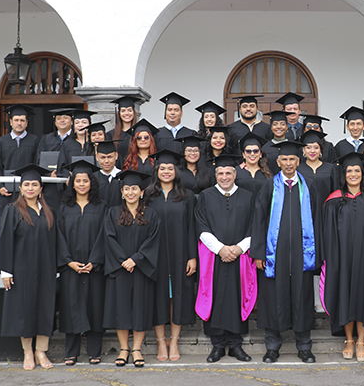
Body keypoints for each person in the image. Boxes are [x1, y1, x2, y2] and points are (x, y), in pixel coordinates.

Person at [251, 140, 320, 364]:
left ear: (298, 161)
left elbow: (317, 220)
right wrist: (259, 253)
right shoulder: (269, 186)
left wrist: (317, 252)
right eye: (285, 160)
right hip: (275, 254)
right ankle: (272, 347)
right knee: (273, 299)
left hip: (302, 252)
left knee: (303, 298)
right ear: (278, 162)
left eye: (292, 159)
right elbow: (259, 220)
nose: (289, 163)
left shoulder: (308, 185)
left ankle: (304, 346)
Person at [320, 152, 364, 362]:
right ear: (344, 174)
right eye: (349, 171)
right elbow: (327, 233)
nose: (353, 174)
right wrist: (331, 259)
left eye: (357, 170)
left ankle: (361, 341)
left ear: (362, 174)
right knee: (345, 297)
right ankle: (348, 340)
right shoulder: (333, 201)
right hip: (341, 259)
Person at [0, 164, 56, 370]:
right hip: (21, 269)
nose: (30, 188)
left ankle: (41, 351)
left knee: (45, 308)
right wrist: (5, 271)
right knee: (24, 309)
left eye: (34, 184)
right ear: (21, 187)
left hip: (46, 268)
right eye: (26, 184)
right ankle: (28, 351)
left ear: (40, 188)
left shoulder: (48, 212)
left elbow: (55, 240)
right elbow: (5, 240)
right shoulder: (13, 210)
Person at [195, 154, 257, 363]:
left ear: (235, 174)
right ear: (215, 175)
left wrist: (239, 248)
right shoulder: (205, 196)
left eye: (228, 173)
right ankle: (218, 346)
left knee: (236, 298)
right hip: (215, 258)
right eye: (220, 173)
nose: (224, 177)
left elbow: (254, 226)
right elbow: (201, 226)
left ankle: (236, 345)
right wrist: (221, 248)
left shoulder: (248, 197)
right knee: (216, 298)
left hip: (240, 258)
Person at [103, 170, 161, 367]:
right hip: (120, 269)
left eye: (134, 188)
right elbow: (108, 238)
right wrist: (123, 260)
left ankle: (136, 349)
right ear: (121, 192)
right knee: (121, 310)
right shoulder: (113, 213)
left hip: (141, 268)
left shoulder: (151, 214)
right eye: (127, 189)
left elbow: (153, 240)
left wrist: (135, 259)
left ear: (141, 191)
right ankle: (123, 349)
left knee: (139, 309)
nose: (130, 192)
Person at [144, 149, 198, 362]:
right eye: (162, 168)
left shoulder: (187, 196)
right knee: (158, 297)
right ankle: (160, 342)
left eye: (170, 168)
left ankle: (174, 339)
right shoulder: (147, 196)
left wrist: (192, 256)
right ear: (156, 171)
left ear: (177, 171)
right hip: (154, 254)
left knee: (178, 295)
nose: (166, 172)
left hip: (180, 253)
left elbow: (193, 227)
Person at [56, 161, 106, 366]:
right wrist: (69, 262)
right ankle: (71, 352)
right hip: (71, 268)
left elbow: (105, 235)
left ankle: (95, 351)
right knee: (71, 307)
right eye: (78, 181)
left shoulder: (101, 207)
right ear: (73, 184)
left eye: (85, 180)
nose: (82, 184)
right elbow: (58, 236)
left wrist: (95, 261)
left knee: (95, 307)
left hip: (95, 268)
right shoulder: (64, 207)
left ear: (91, 183)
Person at [0, 104, 40, 220]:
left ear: (27, 123)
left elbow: (37, 163)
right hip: (7, 191)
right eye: (16, 120)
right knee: (7, 220)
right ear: (11, 122)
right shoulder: (2, 141)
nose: (19, 123)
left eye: (22, 120)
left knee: (28, 219)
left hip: (27, 190)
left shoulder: (35, 140)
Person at [37, 108, 74, 211]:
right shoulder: (46, 139)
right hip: (51, 185)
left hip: (70, 184)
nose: (62, 120)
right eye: (59, 118)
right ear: (55, 122)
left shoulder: (75, 139)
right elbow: (39, 160)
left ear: (71, 121)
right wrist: (49, 175)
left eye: (66, 118)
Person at [296, 130, 338, 207]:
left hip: (327, 210)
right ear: (303, 150)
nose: (312, 151)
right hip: (305, 210)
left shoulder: (331, 168)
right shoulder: (298, 170)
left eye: (316, 147)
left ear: (320, 150)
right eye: (308, 147)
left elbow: (336, 192)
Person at [55, 110, 97, 175]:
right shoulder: (67, 144)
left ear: (89, 125)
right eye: (77, 123)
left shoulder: (94, 143)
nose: (80, 125)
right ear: (73, 126)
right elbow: (62, 167)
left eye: (84, 122)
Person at [107, 95, 141, 166]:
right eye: (123, 111)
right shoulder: (110, 135)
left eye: (129, 110)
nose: (126, 113)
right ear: (119, 114)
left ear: (134, 112)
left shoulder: (139, 133)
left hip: (135, 170)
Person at [235, 131, 271, 197]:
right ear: (243, 155)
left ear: (260, 154)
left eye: (256, 151)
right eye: (248, 151)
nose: (252, 154)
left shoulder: (267, 172)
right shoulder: (236, 171)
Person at [93, 140, 122, 209]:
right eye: (102, 157)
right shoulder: (93, 178)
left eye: (110, 157)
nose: (106, 161)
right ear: (97, 157)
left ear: (116, 156)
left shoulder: (123, 177)